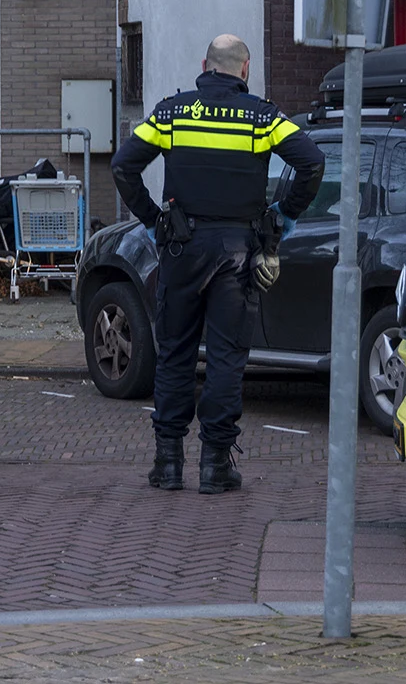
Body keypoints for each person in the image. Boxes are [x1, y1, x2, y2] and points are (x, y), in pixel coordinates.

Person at [110, 34, 324, 494]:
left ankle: (167, 463)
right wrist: (282, 216)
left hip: (181, 249)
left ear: (205, 64)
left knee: (175, 353)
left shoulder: (172, 113)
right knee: (226, 358)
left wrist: (152, 221)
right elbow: (312, 163)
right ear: (245, 70)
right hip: (237, 251)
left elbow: (123, 166)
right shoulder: (263, 117)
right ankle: (215, 465)